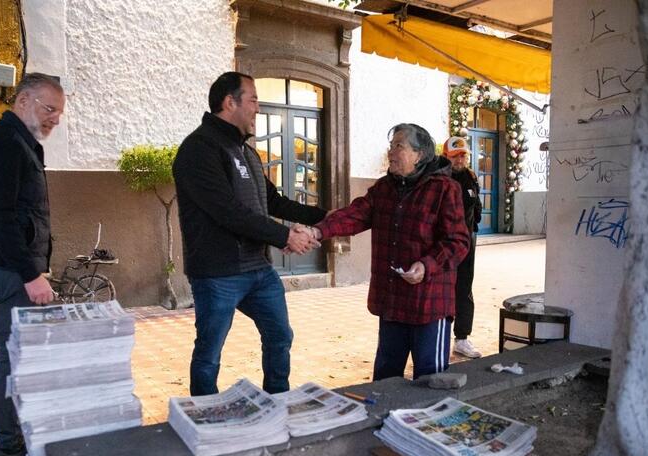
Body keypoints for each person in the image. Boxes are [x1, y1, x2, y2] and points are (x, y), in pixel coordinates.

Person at [173, 71, 325, 396]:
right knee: (209, 354)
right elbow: (229, 212)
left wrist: (329, 218)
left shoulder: (247, 151)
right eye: (253, 99)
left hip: (258, 269)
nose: (258, 107)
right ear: (230, 102)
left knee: (280, 335)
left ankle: (277, 398)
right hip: (218, 274)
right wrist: (285, 237)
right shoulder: (198, 150)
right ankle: (204, 410)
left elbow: (273, 202)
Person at [309, 123, 469, 380]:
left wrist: (427, 265)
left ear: (419, 155)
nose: (391, 152)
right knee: (385, 380)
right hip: (392, 301)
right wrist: (317, 231)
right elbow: (355, 214)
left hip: (428, 303)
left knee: (431, 381)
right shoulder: (384, 188)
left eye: (398, 146)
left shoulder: (444, 189)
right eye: (390, 146)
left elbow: (458, 241)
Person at [0, 73, 65, 456]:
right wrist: (30, 274)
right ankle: (9, 447)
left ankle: (18, 435)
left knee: (21, 356)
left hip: (11, 268)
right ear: (23, 101)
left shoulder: (19, 143)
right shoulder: (7, 144)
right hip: (10, 273)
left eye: (59, 113)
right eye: (49, 109)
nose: (54, 119)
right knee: (13, 356)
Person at [443, 136, 483, 359]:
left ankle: (462, 338)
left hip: (467, 241)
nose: (461, 159)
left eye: (464, 155)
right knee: (442, 288)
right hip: (445, 243)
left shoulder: (470, 177)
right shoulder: (439, 177)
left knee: (464, 289)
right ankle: (438, 336)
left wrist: (473, 228)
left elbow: (476, 205)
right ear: (446, 156)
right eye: (456, 156)